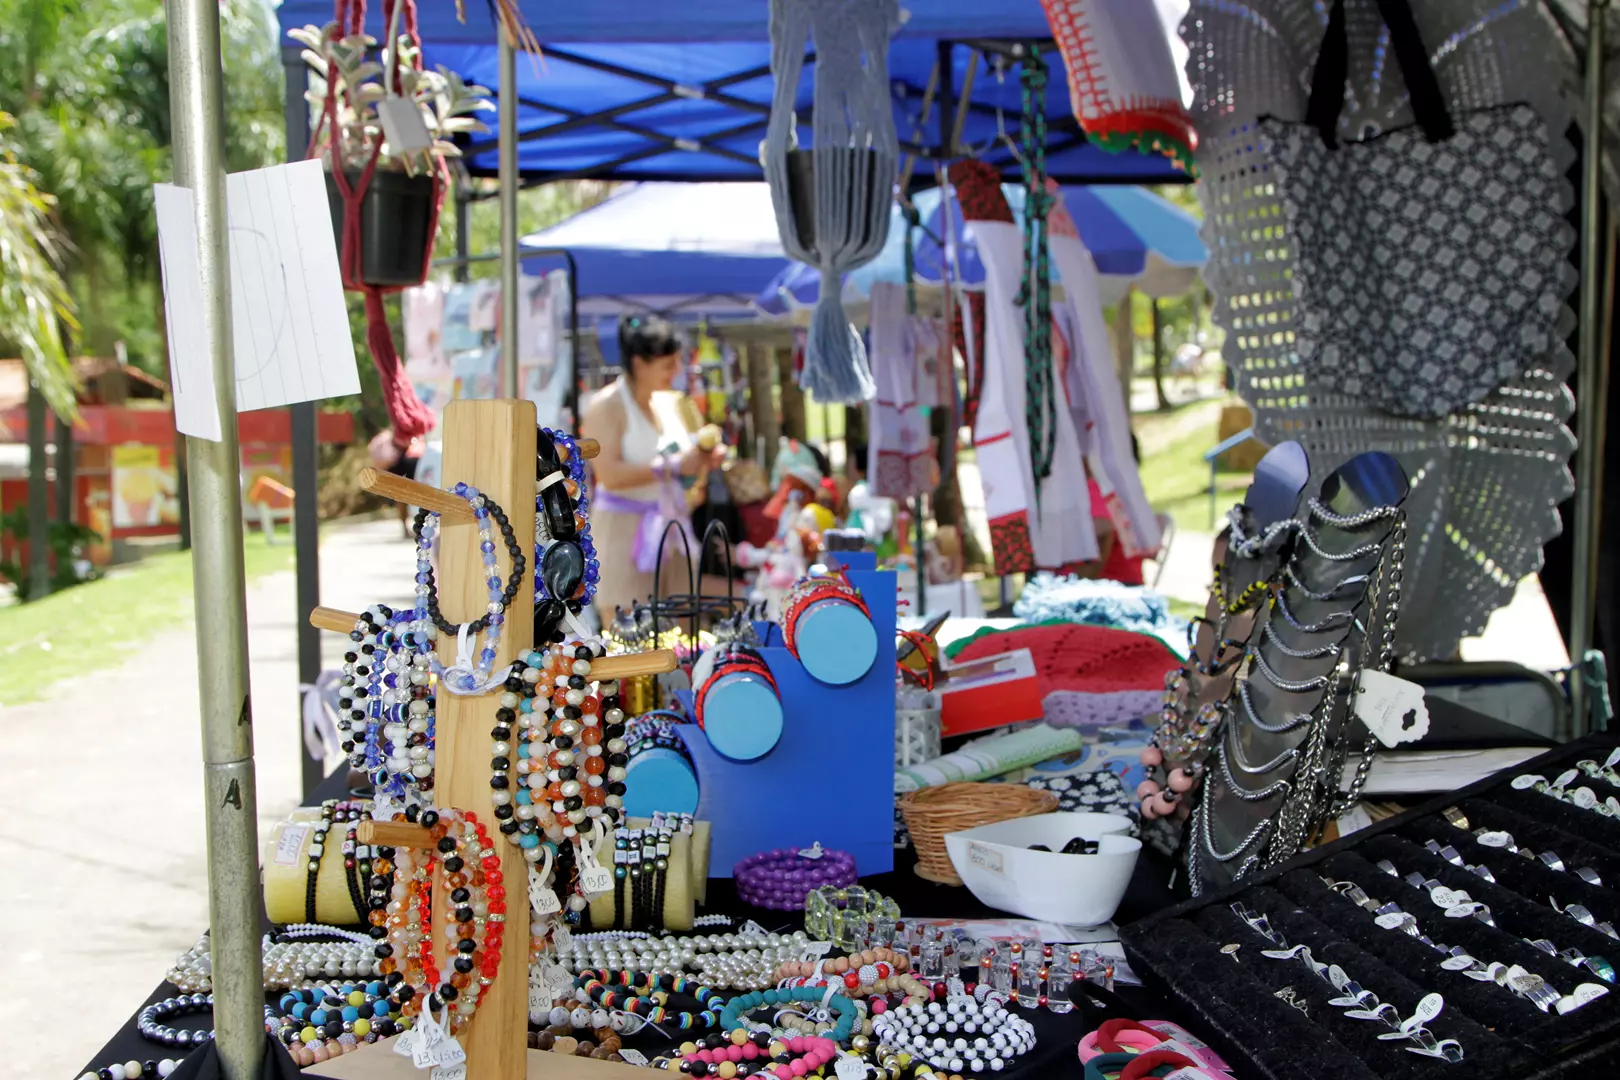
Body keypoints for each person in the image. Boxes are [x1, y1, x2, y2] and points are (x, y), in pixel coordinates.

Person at [580, 314, 726, 623]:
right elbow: (608, 473)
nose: (676, 372)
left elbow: (683, 461)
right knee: (630, 634)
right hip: (623, 532)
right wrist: (669, 467)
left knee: (684, 631)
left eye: (677, 362)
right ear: (639, 363)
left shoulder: (669, 403)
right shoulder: (606, 405)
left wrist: (703, 457)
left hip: (670, 528)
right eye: (668, 364)